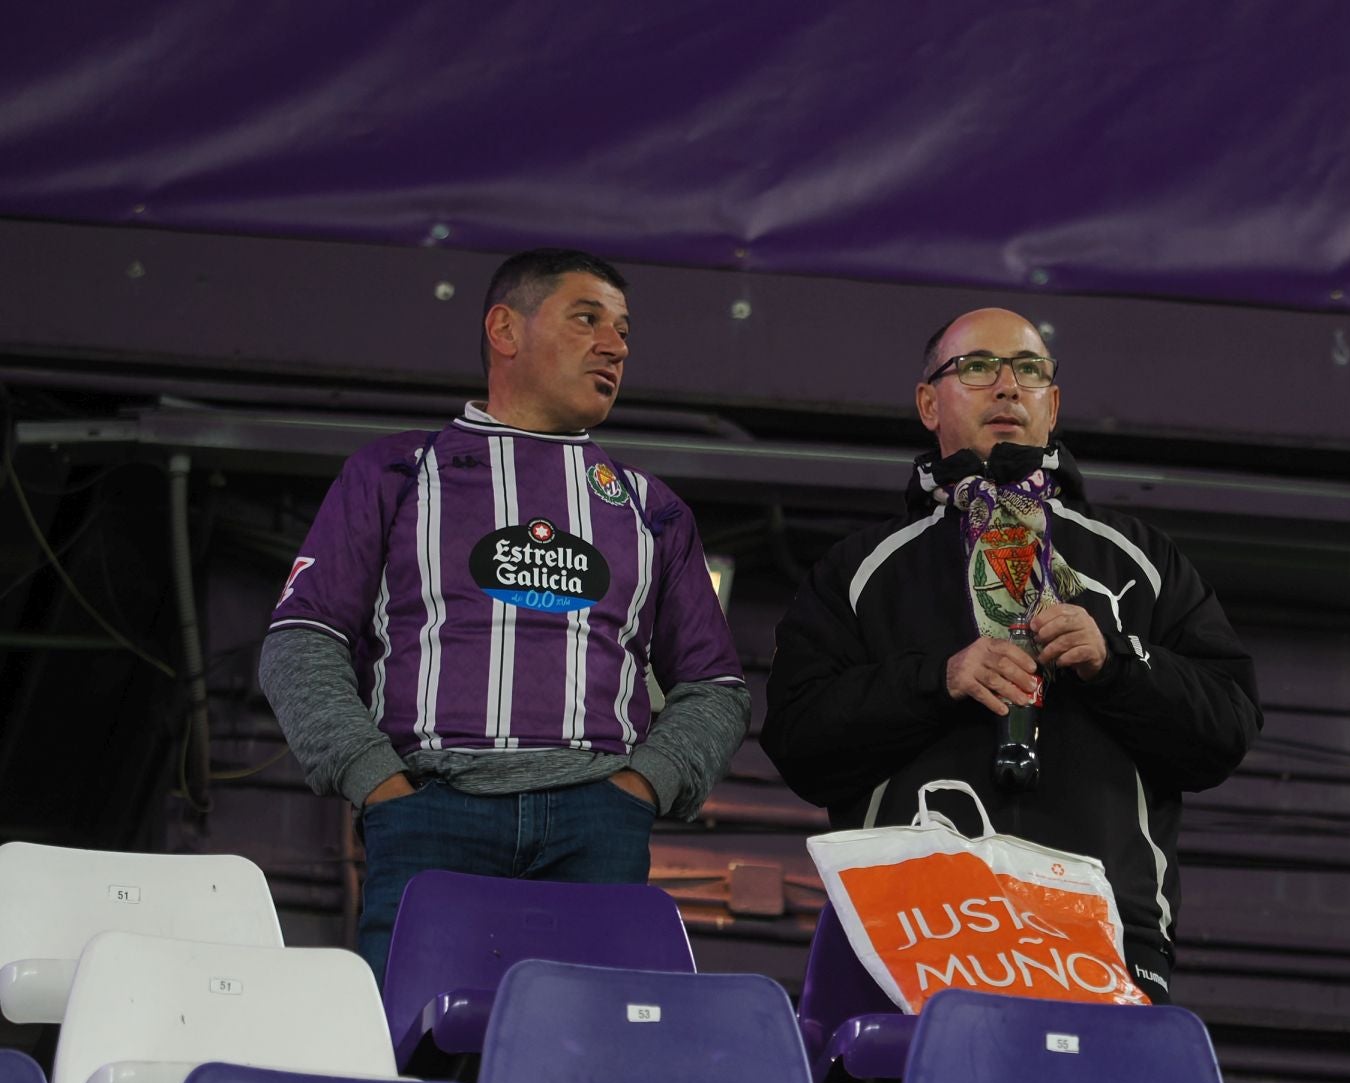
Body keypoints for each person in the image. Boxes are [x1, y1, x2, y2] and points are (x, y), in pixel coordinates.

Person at [259, 248, 749, 983]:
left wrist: (640, 787)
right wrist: (377, 782)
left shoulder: (651, 506)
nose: (614, 346)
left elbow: (717, 686)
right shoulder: (396, 471)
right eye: (587, 319)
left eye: (623, 331)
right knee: (410, 1050)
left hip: (597, 821)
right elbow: (301, 640)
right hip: (431, 807)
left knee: (584, 1058)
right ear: (504, 329)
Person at [761, 308, 1261, 1003]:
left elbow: (1228, 728)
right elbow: (798, 741)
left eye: (1028, 370)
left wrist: (1113, 661)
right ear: (928, 403)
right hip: (912, 930)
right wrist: (938, 679)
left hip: (1101, 931)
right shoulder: (860, 571)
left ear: (1052, 406)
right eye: (976, 367)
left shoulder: (1140, 560)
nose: (1006, 386)